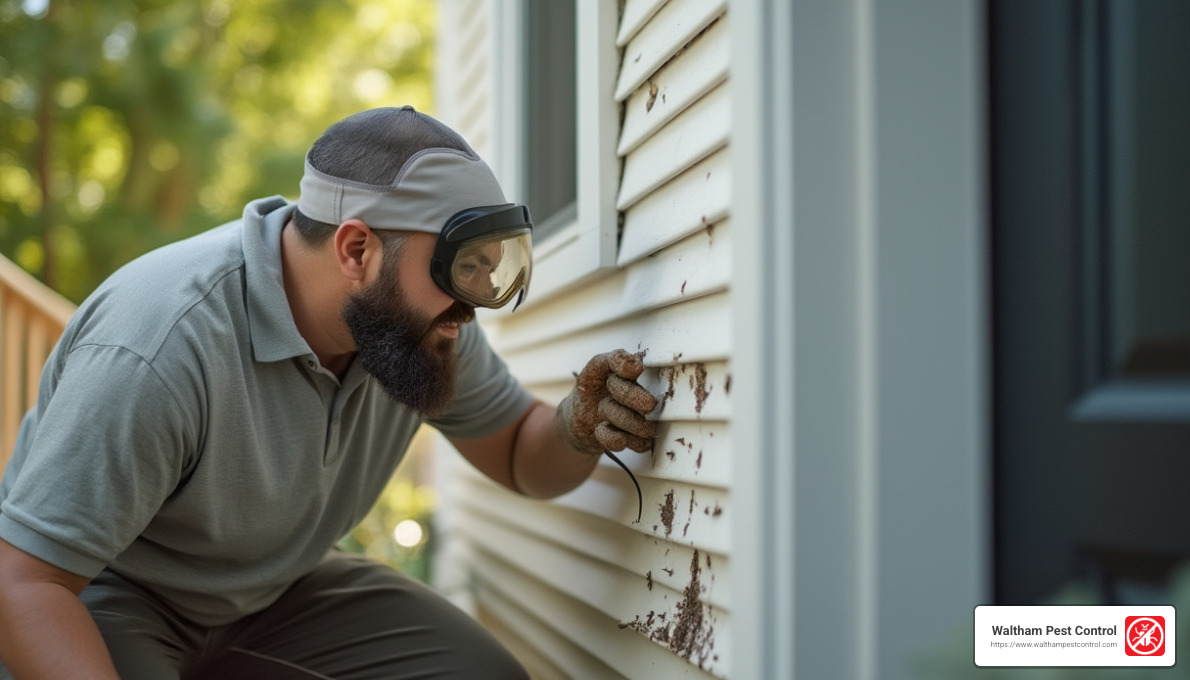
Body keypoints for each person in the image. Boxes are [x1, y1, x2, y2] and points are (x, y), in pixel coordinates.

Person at [0, 106, 658, 680]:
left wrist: (576, 425)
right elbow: (25, 584)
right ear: (356, 249)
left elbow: (518, 451)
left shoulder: (422, 328)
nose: (470, 306)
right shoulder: (160, 346)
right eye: (461, 268)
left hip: (273, 593)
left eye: (487, 271)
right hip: (107, 592)